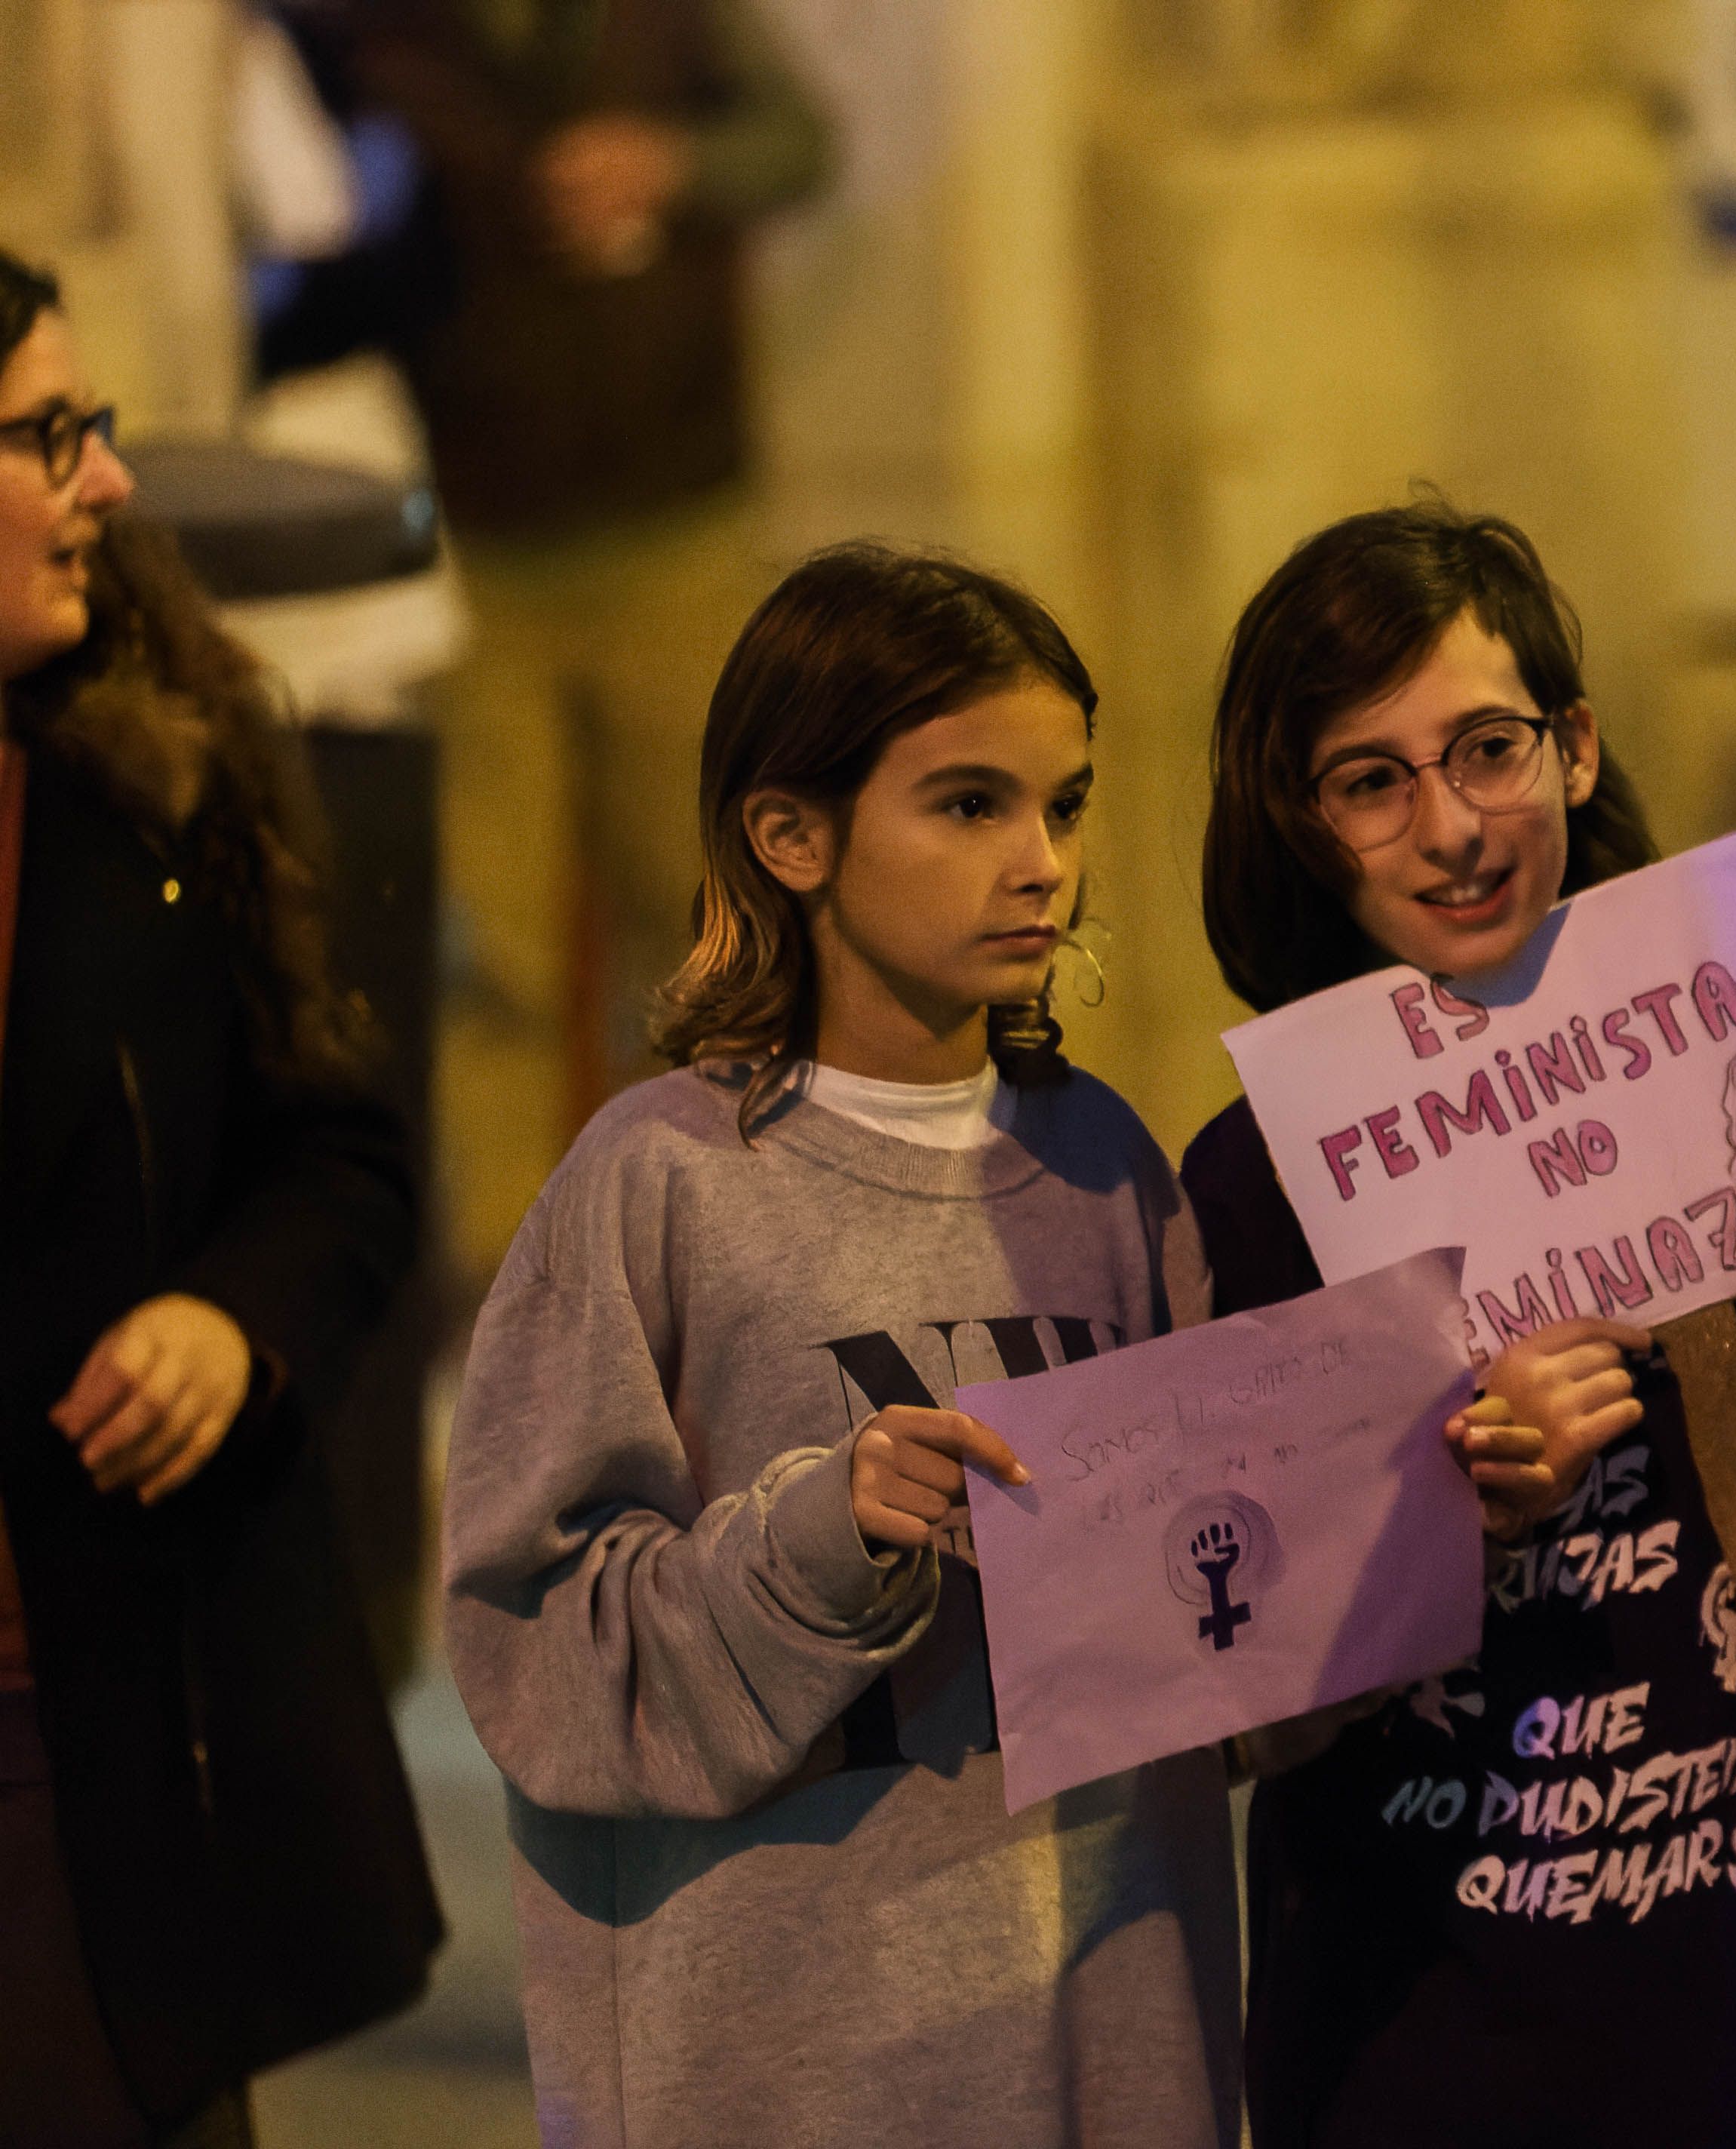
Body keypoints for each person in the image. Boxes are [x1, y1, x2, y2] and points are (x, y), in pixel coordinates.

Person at [1178, 500, 1736, 2149]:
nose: (1453, 827)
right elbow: (1217, 1677)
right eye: (1372, 777)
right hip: (1402, 2041)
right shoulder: (1255, 1175)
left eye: (1490, 748)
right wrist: (1448, 1515)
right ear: (1302, 815)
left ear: (1575, 744)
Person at [442, 546, 1240, 2147]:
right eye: (968, 806)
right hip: (786, 2076)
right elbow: (539, 1658)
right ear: (789, 834)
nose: (1042, 864)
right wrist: (824, 1533)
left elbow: (1229, 1648)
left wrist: (1413, 1499)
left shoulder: (1113, 1172)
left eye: (1065, 806)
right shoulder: (656, 1182)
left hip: (1109, 2062)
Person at [0, 250, 441, 2147]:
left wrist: (226, 1317)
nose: (107, 479)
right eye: (45, 433)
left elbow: (342, 1157)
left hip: (91, 1717)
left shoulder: (164, 767)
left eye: (93, 425)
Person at [344, 0, 834, 1281]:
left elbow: (798, 143)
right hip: (472, 551)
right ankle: (509, 1311)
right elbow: (314, 244)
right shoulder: (373, 33)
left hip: (672, 538)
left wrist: (671, 165)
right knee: (487, 962)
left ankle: (704, 1280)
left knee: (702, 940)